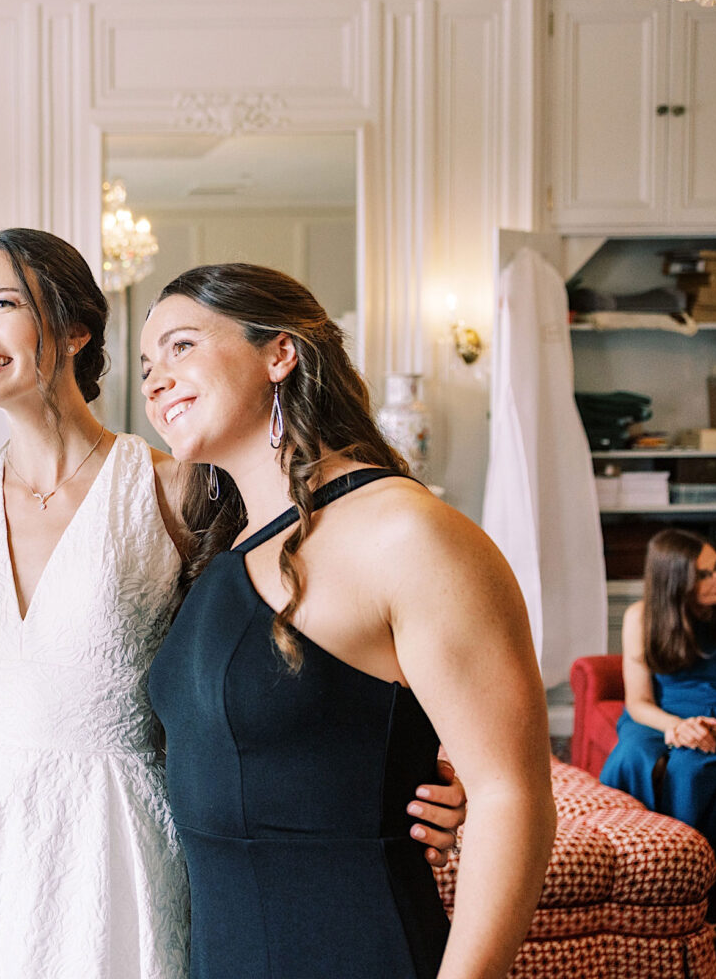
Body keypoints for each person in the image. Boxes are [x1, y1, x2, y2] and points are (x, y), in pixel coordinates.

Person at [0, 231, 467, 979]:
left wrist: (421, 764)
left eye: (1, 304)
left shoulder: (178, 484)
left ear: (74, 326)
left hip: (112, 831)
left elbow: (257, 656)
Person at [140, 262, 556, 979]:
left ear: (280, 352)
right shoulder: (221, 549)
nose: (155, 379)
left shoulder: (406, 532)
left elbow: (511, 795)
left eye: (181, 346)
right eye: (146, 365)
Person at [601, 528, 716, 854]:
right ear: (675, 585)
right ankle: (618, 851)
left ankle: (682, 862)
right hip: (658, 714)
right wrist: (674, 726)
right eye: (704, 575)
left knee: (689, 768)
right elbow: (638, 701)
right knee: (631, 756)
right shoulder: (641, 617)